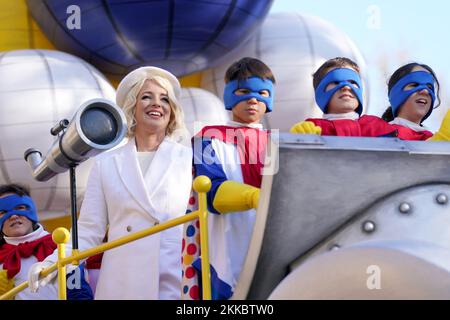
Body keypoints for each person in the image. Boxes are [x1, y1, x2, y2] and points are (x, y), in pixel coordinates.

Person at [28, 66, 193, 299]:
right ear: (132, 107)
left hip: (174, 277)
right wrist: (53, 262)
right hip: (123, 281)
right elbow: (88, 229)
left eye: (164, 99)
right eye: (146, 97)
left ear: (172, 110)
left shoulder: (190, 159)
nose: (157, 103)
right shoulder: (106, 163)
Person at [181, 57, 274, 300]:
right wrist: (255, 196)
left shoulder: (278, 144)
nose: (253, 99)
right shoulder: (207, 138)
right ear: (229, 94)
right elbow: (211, 192)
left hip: (271, 252)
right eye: (244, 91)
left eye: (262, 92)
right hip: (224, 254)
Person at [0, 183, 92, 300]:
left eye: (20, 208)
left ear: (31, 210)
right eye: (2, 212)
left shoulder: (62, 245)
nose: (13, 216)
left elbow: (79, 291)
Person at [290, 57, 396, 137]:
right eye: (335, 82)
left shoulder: (376, 126)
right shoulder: (312, 128)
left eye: (352, 82)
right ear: (320, 93)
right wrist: (299, 140)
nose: (346, 87)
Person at [381, 62, 441, 140]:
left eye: (429, 87)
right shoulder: (370, 129)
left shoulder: (436, 143)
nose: (425, 91)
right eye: (415, 85)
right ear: (397, 93)